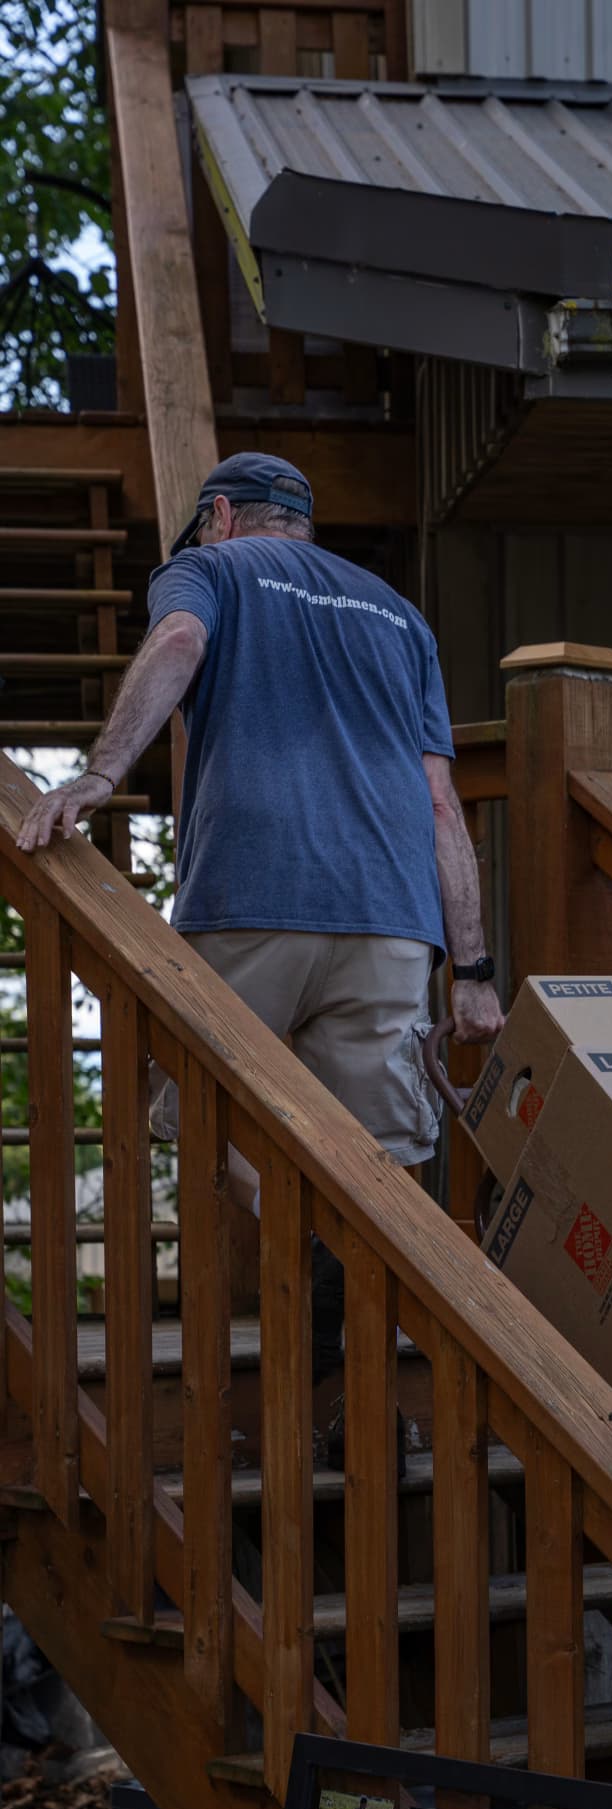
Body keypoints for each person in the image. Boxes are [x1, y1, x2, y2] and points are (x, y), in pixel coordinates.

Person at [16, 453, 503, 1422]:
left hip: (251, 896)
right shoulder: (397, 615)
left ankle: (308, 1278)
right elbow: (441, 804)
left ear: (222, 515)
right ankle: (354, 1390)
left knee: (200, 1125)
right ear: (305, 524)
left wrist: (101, 776)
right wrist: (475, 967)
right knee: (381, 1168)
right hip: (391, 923)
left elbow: (179, 643)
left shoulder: (209, 570)